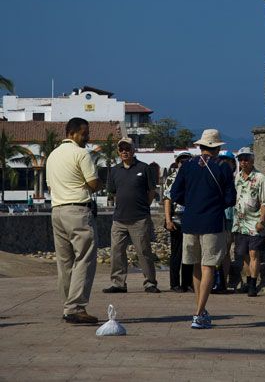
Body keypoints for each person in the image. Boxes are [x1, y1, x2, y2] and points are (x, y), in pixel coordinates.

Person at [170, 129, 236, 329]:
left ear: (201, 146)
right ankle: (199, 313)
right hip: (212, 221)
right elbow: (230, 198)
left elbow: (175, 193)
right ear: (217, 147)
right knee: (209, 265)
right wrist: (215, 205)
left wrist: (192, 203)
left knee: (196, 265)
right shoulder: (223, 167)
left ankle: (200, 308)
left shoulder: (187, 166)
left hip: (190, 221)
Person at [46, 117, 102, 324]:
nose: (87, 137)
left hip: (57, 211)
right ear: (72, 133)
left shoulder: (52, 155)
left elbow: (50, 187)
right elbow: (93, 184)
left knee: (65, 262)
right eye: (84, 133)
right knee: (85, 258)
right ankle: (76, 307)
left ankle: (67, 306)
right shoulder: (81, 154)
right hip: (78, 210)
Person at [103, 137, 160, 294]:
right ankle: (118, 283)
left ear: (133, 150)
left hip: (140, 218)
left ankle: (150, 282)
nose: (124, 152)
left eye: (127, 149)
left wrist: (143, 208)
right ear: (118, 152)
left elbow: (151, 192)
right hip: (119, 219)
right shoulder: (114, 170)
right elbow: (113, 192)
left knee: (143, 251)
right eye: (121, 149)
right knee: (116, 252)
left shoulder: (145, 168)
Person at [232, 147, 265, 297]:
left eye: (246, 158)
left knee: (254, 253)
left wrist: (262, 220)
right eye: (241, 159)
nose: (243, 162)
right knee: (245, 255)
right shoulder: (238, 177)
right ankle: (248, 282)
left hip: (255, 222)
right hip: (240, 223)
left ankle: (253, 285)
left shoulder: (260, 178)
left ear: (252, 160)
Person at [163, 151, 194, 292]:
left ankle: (187, 283)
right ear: (177, 163)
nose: (184, 163)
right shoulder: (171, 178)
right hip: (176, 217)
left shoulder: (194, 177)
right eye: (182, 161)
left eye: (187, 160)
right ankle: (174, 283)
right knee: (176, 253)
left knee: (189, 251)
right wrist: (168, 220)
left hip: (190, 218)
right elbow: (167, 200)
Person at [212, 150, 237, 293]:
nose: (225, 163)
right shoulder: (215, 178)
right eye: (222, 160)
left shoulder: (237, 179)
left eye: (227, 161)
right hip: (218, 217)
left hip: (230, 219)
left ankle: (223, 281)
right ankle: (216, 280)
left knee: (225, 251)